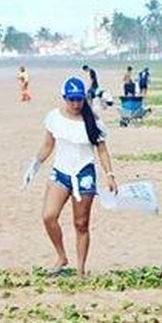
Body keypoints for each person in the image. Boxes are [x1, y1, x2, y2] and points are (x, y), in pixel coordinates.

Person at [23, 77, 117, 277]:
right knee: (49, 216)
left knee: (81, 224)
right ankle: (61, 256)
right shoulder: (54, 117)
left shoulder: (93, 121)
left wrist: (109, 174)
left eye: (79, 99)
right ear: (64, 98)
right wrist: (34, 167)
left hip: (84, 174)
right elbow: (48, 145)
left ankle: (81, 269)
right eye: (71, 99)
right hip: (61, 172)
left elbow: (102, 150)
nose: (76, 104)